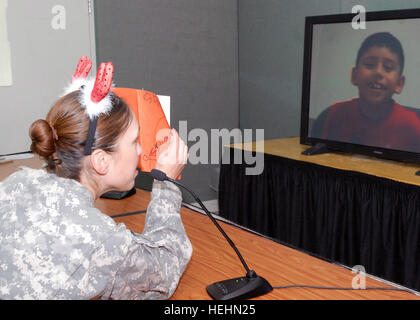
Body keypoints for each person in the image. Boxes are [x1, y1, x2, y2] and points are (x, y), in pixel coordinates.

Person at [0, 57, 192, 299]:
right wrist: (166, 184)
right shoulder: (99, 239)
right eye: (134, 142)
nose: (141, 151)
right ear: (101, 160)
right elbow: (164, 271)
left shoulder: (14, 184)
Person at [311, 32, 420, 152]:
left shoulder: (412, 126)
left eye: (388, 67)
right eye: (369, 65)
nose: (378, 72)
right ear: (354, 75)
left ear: (399, 83)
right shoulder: (332, 116)